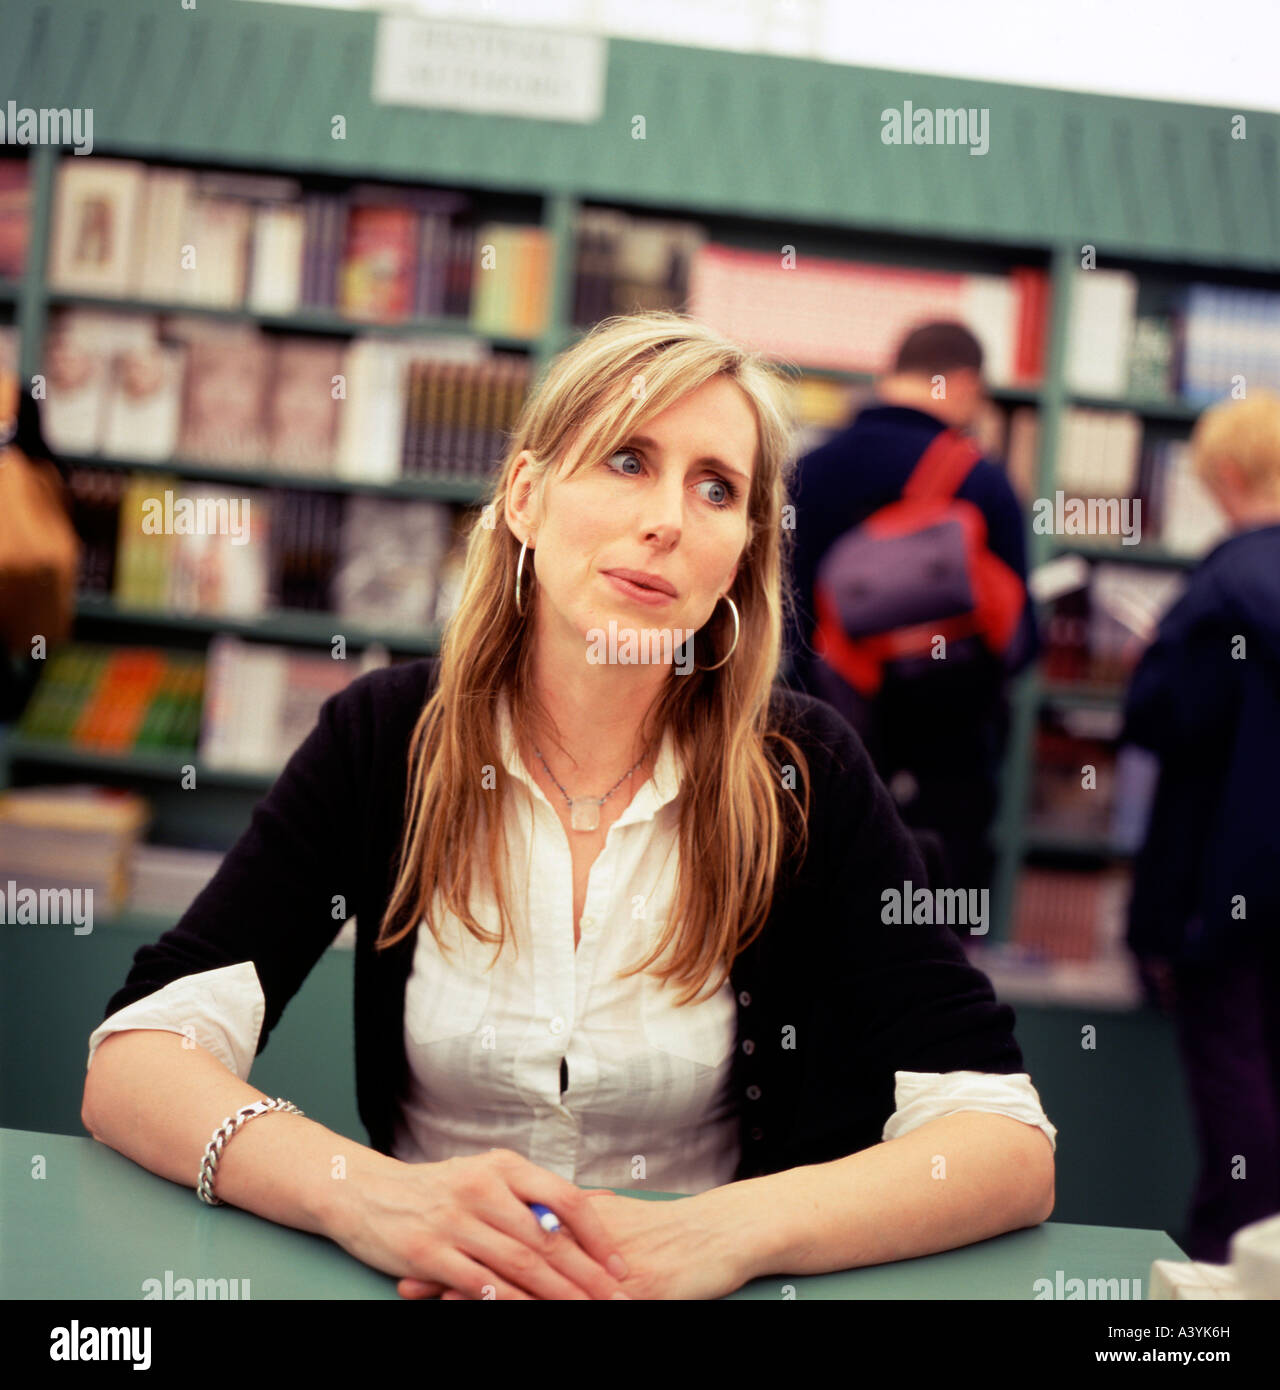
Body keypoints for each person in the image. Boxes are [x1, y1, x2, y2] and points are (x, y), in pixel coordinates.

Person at [81, 311, 1055, 1302]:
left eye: (715, 487)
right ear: (524, 495)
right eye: (627, 460)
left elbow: (1001, 1140)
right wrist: (366, 1196)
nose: (668, 517)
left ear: (740, 556)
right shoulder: (385, 737)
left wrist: (719, 1233)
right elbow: (136, 1060)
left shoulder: (804, 772)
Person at [786, 321, 1038, 900]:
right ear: (968, 383)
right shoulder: (983, 481)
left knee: (817, 904)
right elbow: (1020, 640)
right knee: (931, 939)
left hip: (818, 738)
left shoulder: (807, 469)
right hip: (945, 761)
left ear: (887, 376)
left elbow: (779, 612)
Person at [1121, 389, 1280, 1265]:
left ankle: (1228, 1280)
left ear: (1223, 475)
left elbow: (1162, 717)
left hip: (1224, 888)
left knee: (1235, 1093)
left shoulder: (1219, 587)